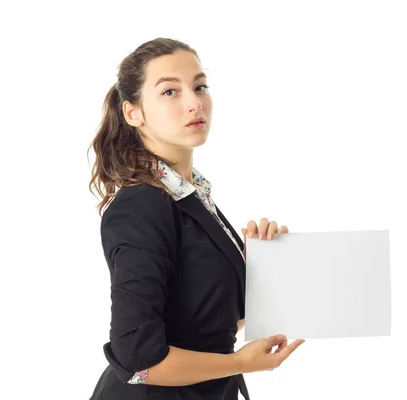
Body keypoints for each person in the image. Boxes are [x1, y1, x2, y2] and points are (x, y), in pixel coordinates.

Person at [87, 37, 305, 399]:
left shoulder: (190, 196)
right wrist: (241, 363)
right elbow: (138, 358)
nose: (194, 102)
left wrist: (259, 268)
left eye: (200, 86)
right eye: (170, 92)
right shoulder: (141, 204)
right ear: (133, 112)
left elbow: (200, 321)